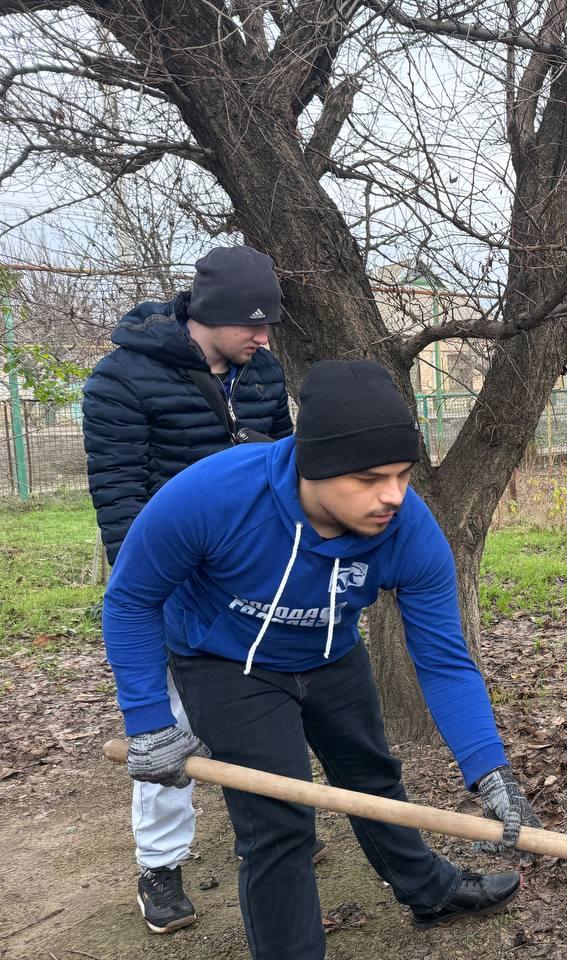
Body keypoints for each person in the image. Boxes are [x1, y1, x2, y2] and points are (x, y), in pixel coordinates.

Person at [102, 360, 540, 960]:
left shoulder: (409, 530)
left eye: (403, 474)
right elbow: (130, 600)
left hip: (329, 651)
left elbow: (443, 660)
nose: (392, 495)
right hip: (224, 658)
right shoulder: (214, 494)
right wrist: (149, 721)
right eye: (368, 478)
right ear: (315, 466)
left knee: (373, 775)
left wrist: (490, 770)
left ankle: (427, 890)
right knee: (279, 821)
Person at [81, 245, 294, 933]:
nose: (264, 339)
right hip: (171, 581)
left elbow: (285, 470)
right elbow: (118, 501)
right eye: (253, 324)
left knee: (256, 709)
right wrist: (156, 596)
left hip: (251, 578)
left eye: (270, 326)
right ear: (210, 314)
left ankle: (273, 831)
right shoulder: (122, 379)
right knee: (167, 730)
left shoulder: (262, 373)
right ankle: (161, 869)